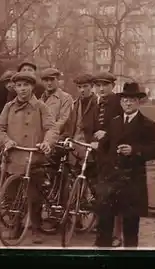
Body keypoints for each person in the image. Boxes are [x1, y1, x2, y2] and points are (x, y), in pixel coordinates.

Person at [95, 82, 155, 248]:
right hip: (111, 180)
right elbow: (106, 147)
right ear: (120, 102)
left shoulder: (148, 124)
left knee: (131, 227)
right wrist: (100, 142)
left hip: (133, 181)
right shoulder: (114, 122)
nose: (128, 103)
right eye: (125, 100)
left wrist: (134, 150)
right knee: (104, 224)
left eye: (132, 100)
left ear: (139, 102)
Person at [0, 72, 58, 244]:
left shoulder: (41, 107)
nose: (22, 89)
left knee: (34, 196)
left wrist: (47, 143)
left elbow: (52, 128)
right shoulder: (8, 107)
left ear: (32, 87)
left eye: (26, 85)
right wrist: (6, 141)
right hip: (14, 157)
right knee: (13, 195)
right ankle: (16, 225)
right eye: (19, 86)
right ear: (14, 88)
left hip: (34, 157)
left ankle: (36, 228)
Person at [92, 71, 125, 245]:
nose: (101, 88)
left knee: (116, 195)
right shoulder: (97, 103)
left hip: (115, 154)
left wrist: (106, 134)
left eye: (105, 85)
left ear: (112, 86)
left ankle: (117, 234)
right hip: (101, 155)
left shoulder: (118, 102)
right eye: (98, 85)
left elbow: (123, 126)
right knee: (101, 193)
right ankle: (103, 230)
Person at [60, 74, 98, 223]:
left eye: (85, 87)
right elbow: (70, 125)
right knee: (72, 183)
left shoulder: (97, 103)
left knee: (94, 184)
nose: (82, 90)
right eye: (80, 87)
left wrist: (96, 141)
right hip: (75, 148)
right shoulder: (75, 104)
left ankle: (99, 219)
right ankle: (76, 218)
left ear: (91, 87)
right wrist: (64, 137)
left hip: (90, 148)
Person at [39, 68, 73, 135]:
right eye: (46, 80)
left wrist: (51, 134)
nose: (49, 83)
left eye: (52, 80)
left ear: (57, 80)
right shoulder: (40, 100)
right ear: (42, 82)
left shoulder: (66, 98)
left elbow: (63, 120)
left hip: (58, 137)